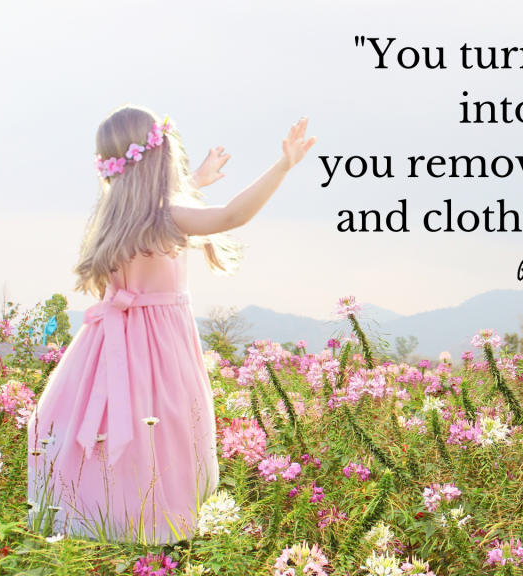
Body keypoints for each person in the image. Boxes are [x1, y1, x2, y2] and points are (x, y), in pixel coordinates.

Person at [27, 104, 316, 544]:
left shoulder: (114, 215)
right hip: (158, 345)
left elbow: (155, 212)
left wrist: (196, 181)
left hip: (106, 343)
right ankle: (159, 528)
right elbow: (231, 217)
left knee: (102, 428)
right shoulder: (168, 216)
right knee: (168, 432)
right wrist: (284, 165)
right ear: (161, 158)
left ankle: (95, 519)